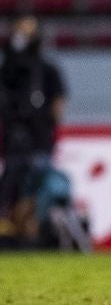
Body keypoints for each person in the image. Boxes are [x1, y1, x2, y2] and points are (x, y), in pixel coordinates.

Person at [0, 15, 67, 247]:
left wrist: (45, 125)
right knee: (11, 185)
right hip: (13, 140)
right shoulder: (7, 69)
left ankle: (38, 234)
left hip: (38, 140)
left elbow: (59, 102)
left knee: (38, 187)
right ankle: (11, 233)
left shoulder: (47, 70)